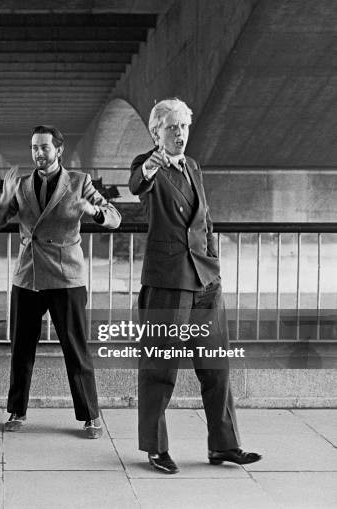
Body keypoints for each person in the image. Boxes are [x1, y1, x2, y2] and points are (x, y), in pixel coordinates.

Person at [129, 98, 261, 473]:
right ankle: (156, 448)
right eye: (171, 127)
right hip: (168, 282)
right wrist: (152, 165)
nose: (180, 134)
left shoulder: (193, 167)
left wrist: (215, 266)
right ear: (157, 133)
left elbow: (206, 221)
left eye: (184, 127)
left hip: (205, 282)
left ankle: (225, 446)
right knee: (160, 367)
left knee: (216, 367)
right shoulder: (147, 165)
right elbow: (137, 183)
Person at [0, 125, 121, 438]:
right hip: (28, 275)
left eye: (44, 147)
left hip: (66, 277)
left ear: (59, 150)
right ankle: (16, 411)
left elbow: (115, 216)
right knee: (21, 350)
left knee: (76, 350)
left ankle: (90, 416)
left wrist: (94, 211)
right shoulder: (18, 186)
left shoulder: (80, 182)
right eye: (34, 147)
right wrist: (3, 202)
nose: (38, 153)